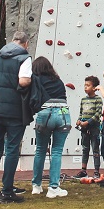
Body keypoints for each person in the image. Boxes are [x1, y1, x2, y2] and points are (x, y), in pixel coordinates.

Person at [0, 30, 33, 203]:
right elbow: (23, 81)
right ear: (25, 43)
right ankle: (7, 191)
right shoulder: (24, 58)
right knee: (11, 148)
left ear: (12, 41)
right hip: (14, 110)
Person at [28, 57, 71, 198]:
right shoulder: (58, 80)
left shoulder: (35, 80)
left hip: (45, 113)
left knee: (40, 150)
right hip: (63, 113)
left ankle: (36, 185)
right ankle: (54, 187)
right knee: (57, 151)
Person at [74, 75, 102, 178]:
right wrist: (79, 120)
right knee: (85, 148)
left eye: (88, 85)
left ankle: (96, 171)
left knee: (95, 148)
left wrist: (88, 122)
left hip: (94, 128)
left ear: (94, 87)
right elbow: (81, 112)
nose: (85, 87)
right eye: (85, 85)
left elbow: (98, 113)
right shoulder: (83, 100)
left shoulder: (98, 99)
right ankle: (83, 170)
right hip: (84, 128)